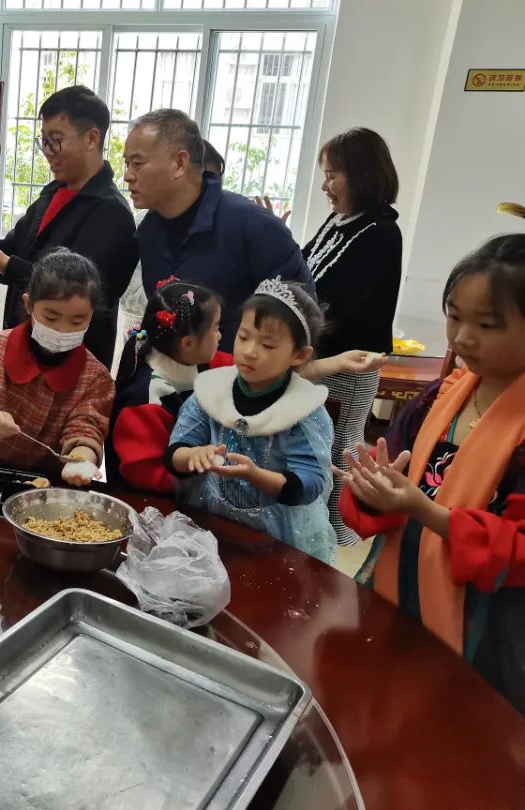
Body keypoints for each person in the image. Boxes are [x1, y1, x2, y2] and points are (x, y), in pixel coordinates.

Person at [337, 235, 525, 714]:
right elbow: (393, 477)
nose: (461, 337)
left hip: (490, 624)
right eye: (455, 315)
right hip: (402, 584)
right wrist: (373, 492)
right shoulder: (442, 397)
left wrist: (424, 509)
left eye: (486, 324)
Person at [108, 278, 384, 493]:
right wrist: (199, 462)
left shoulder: (204, 363)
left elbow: (269, 372)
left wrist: (335, 363)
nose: (249, 352)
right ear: (189, 343)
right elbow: (149, 476)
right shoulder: (149, 399)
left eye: (266, 344)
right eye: (232, 333)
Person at [0, 85, 138, 368]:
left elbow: (82, 292)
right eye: (43, 141)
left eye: (56, 141)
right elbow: (13, 248)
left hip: (71, 362)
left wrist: (8, 266)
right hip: (26, 345)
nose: (47, 152)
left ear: (92, 138)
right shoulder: (53, 193)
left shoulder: (113, 213)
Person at [166, 279, 336, 564]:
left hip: (280, 540)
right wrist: (192, 456)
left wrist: (256, 476)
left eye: (267, 344)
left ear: (299, 355)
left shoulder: (303, 410)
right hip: (212, 526)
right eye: (244, 337)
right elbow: (176, 452)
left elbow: (308, 483)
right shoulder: (212, 391)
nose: (249, 351)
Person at [124, 108, 313, 348]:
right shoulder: (150, 229)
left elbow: (301, 320)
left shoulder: (254, 228)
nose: (127, 176)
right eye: (127, 163)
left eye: (137, 163)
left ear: (180, 163)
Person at [300, 127, 402, 546]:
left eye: (332, 175)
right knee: (313, 446)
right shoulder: (342, 220)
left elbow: (339, 303)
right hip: (318, 358)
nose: (325, 186)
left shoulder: (380, 232)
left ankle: (343, 537)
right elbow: (304, 269)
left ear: (361, 174)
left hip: (350, 363)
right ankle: (317, 530)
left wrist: (301, 352)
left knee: (341, 448)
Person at [0, 248, 114, 486]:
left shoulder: (95, 377)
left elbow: (86, 430)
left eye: (78, 321)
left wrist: (81, 461)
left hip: (49, 487)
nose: (63, 330)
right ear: (28, 305)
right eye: (51, 317)